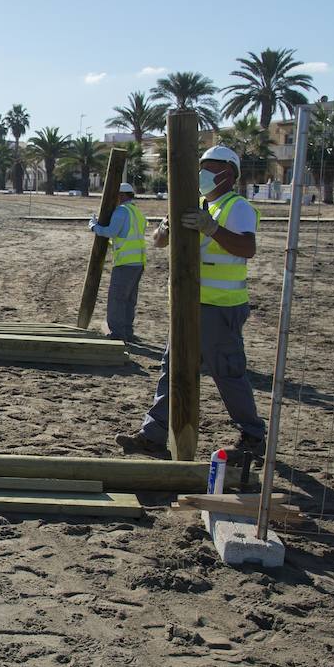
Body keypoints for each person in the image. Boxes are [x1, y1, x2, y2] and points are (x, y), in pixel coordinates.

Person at [115, 145, 266, 460]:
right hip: (187, 304)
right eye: (202, 166)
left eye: (210, 167)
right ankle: (153, 435)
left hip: (220, 307)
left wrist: (212, 228)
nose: (202, 173)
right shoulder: (194, 203)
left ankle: (252, 435)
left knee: (227, 373)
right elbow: (158, 242)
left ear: (229, 173)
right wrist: (165, 229)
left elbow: (247, 248)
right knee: (172, 369)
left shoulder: (236, 207)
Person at [88, 182, 148, 341]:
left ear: (120, 195)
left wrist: (94, 226)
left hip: (125, 263)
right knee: (129, 300)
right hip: (138, 262)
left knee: (117, 299)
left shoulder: (121, 211)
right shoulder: (136, 211)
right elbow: (125, 236)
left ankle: (117, 334)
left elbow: (111, 232)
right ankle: (127, 332)